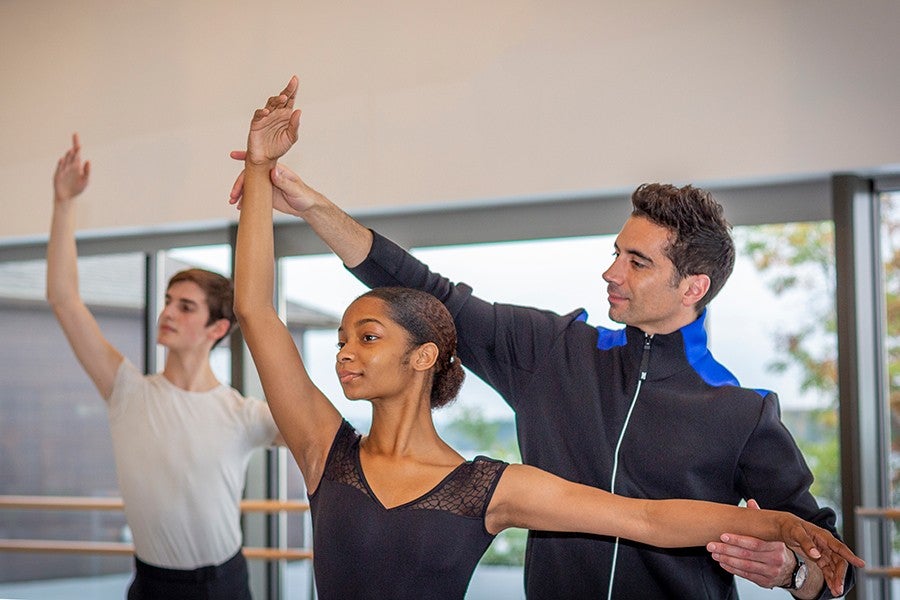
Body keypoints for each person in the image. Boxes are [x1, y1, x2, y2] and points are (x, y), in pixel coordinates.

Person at [231, 76, 863, 600]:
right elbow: (423, 290)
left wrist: (793, 570)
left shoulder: (740, 409)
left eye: (637, 263)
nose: (611, 273)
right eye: (616, 253)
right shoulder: (553, 352)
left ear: (692, 287)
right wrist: (310, 205)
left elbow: (823, 561)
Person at [47, 134, 283, 600]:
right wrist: (62, 203)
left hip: (225, 584)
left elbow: (322, 437)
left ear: (217, 328)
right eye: (168, 301)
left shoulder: (245, 415)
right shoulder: (127, 391)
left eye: (186, 307)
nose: (168, 313)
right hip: (153, 585)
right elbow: (64, 300)